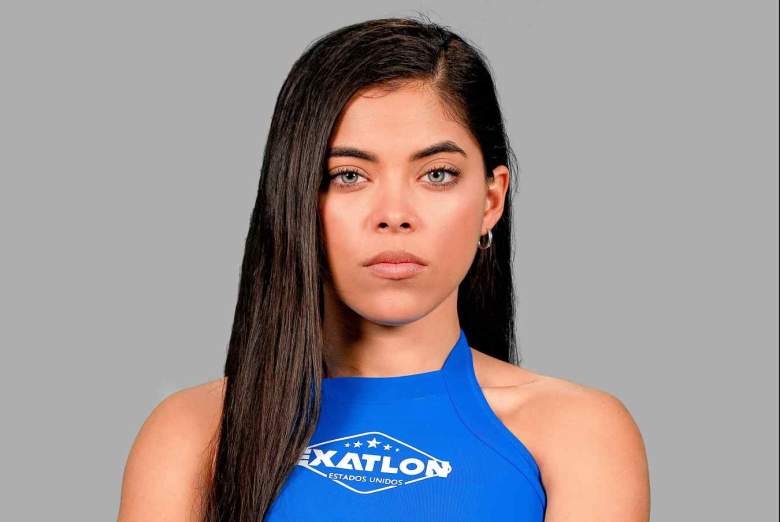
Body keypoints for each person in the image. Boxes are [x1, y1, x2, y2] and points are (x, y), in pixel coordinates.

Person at [118, 15, 650, 522]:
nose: (394, 215)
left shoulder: (576, 434)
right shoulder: (194, 434)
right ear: (295, 198)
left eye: (437, 174)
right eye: (348, 175)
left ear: (491, 201)